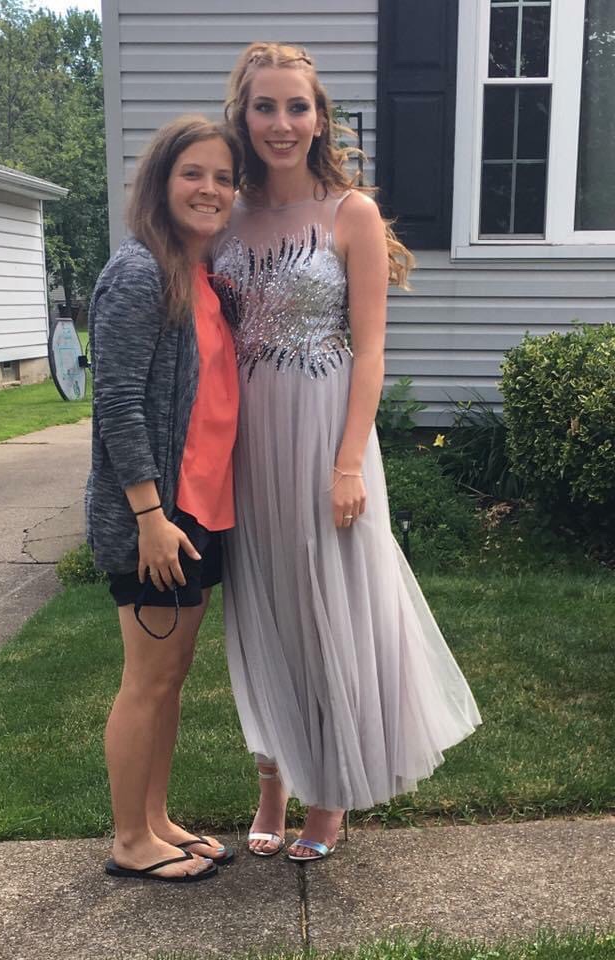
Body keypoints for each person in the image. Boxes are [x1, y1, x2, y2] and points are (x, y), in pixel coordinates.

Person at [212, 42, 482, 862]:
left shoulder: (349, 213)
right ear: (244, 115)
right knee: (260, 605)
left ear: (320, 117)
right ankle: (272, 780)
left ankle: (328, 795)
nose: (282, 123)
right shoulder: (225, 212)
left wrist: (346, 464)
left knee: (329, 600)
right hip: (246, 437)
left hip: (328, 432)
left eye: (298, 107)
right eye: (266, 106)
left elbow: (370, 351)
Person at [86, 116, 241, 883]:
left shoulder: (202, 278)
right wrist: (149, 516)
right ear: (161, 181)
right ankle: (128, 841)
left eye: (222, 177)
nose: (209, 188)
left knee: (171, 675)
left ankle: (156, 819)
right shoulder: (140, 270)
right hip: (156, 518)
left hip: (202, 513)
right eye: (193, 174)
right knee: (147, 678)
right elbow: (115, 400)